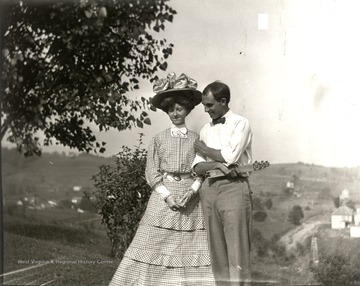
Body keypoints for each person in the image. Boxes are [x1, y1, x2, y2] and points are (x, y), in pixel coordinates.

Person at [109, 72, 215, 286]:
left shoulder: (197, 139)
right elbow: (152, 171)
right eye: (171, 110)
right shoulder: (158, 139)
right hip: (163, 198)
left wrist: (192, 190)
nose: (175, 114)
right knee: (153, 245)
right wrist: (166, 196)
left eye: (179, 109)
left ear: (187, 110)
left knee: (191, 246)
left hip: (190, 200)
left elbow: (202, 170)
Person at [192, 81, 253, 286]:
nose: (206, 110)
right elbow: (197, 167)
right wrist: (217, 163)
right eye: (204, 105)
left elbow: (230, 156)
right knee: (217, 253)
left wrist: (207, 152)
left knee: (238, 253)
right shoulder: (204, 130)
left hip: (233, 188)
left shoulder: (240, 123)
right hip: (208, 190)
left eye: (209, 105)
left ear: (223, 101)